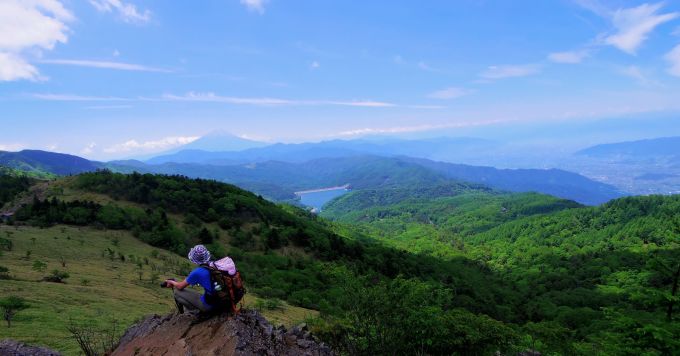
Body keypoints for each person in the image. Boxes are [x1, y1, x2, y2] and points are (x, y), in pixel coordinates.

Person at [163, 244, 216, 315]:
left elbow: (180, 286)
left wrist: (171, 282)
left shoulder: (197, 272)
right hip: (223, 301)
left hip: (211, 306)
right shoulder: (215, 265)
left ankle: (198, 313)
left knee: (177, 292)